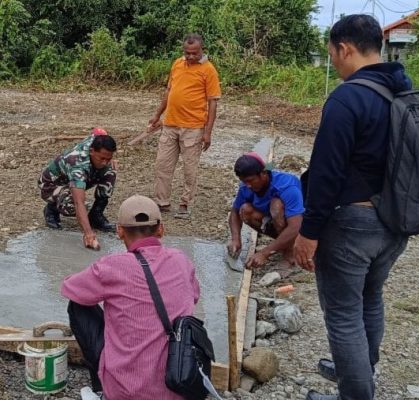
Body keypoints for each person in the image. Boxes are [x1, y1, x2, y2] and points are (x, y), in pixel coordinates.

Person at [292, 14, 411, 400]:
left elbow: (326, 173)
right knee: (370, 300)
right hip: (393, 222)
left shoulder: (348, 97)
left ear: (345, 48)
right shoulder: (401, 91)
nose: (335, 63)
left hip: (352, 224)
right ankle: (359, 371)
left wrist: (308, 233)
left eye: (333, 55)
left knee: (343, 314)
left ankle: (354, 393)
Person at [61, 195, 200, 400]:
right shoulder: (181, 260)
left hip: (125, 391)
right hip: (181, 381)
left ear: (119, 231)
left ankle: (102, 388)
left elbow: (69, 288)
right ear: (161, 229)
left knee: (78, 304)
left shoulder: (111, 266)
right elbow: (194, 296)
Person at [149, 33, 221, 219]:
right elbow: (169, 91)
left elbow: (212, 102)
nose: (190, 56)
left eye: (194, 53)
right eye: (187, 53)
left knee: (190, 168)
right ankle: (162, 202)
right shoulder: (177, 64)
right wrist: (157, 114)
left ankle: (185, 203)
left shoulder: (209, 70)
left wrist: (208, 132)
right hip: (170, 124)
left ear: (201, 50)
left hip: (193, 127)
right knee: (162, 165)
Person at [38, 128, 117, 249]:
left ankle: (96, 215)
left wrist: (108, 161)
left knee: (110, 172)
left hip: (71, 178)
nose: (105, 162)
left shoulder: (98, 141)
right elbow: (78, 202)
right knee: (72, 205)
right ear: (91, 151)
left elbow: (98, 131)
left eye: (109, 158)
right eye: (102, 158)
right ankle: (52, 208)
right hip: (51, 184)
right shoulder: (77, 165)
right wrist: (88, 233)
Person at [228, 152, 304, 268]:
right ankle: (282, 244)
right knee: (245, 210)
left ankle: (291, 253)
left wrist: (264, 253)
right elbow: (235, 212)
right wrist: (235, 239)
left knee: (276, 205)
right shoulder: (246, 187)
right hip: (277, 223)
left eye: (251, 180)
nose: (247, 185)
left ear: (263, 174)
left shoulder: (286, 186)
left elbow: (296, 226)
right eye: (244, 181)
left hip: (303, 229)